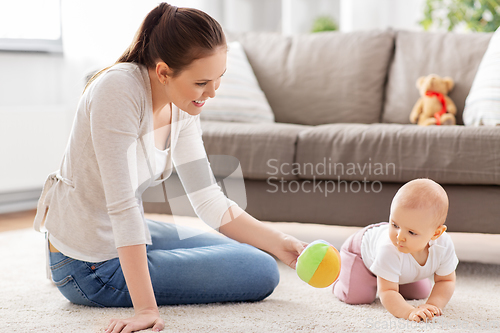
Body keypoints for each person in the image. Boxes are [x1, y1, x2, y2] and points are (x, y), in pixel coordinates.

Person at [33, 3, 307, 333]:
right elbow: (121, 207)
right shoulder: (117, 91)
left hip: (124, 232)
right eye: (202, 82)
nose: (212, 93)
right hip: (91, 266)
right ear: (164, 72)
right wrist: (145, 310)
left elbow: (208, 201)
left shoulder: (183, 106)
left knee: (249, 252)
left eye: (218, 79)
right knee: (261, 270)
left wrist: (279, 241)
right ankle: (63, 264)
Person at [333, 178, 459, 322]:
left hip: (395, 267)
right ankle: (339, 278)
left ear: (436, 233)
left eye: (411, 232)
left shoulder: (443, 245)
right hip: (360, 256)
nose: (399, 237)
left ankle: (389, 276)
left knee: (420, 292)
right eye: (394, 224)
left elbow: (446, 280)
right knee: (358, 297)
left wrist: (432, 305)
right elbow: (387, 291)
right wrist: (409, 312)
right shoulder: (389, 248)